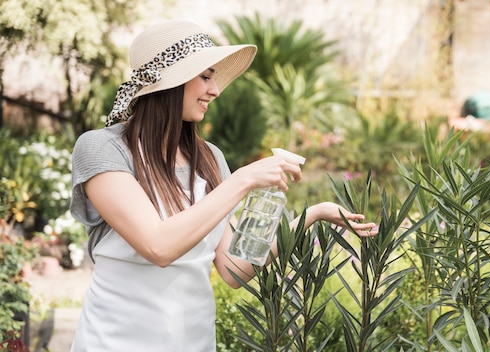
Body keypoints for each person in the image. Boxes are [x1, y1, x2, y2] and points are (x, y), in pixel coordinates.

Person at [69, 19, 378, 351]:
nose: (214, 90)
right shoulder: (102, 149)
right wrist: (244, 179)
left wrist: (311, 216)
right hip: (115, 342)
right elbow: (158, 246)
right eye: (205, 76)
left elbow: (233, 269)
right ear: (170, 83)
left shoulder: (208, 158)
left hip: (194, 342)